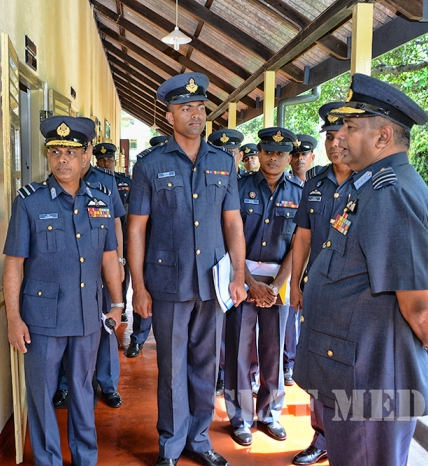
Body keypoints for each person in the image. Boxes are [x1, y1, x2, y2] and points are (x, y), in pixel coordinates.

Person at [294, 74, 428, 466]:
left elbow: (418, 302)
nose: (340, 137)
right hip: (355, 370)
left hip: (370, 379)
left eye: (351, 127)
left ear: (383, 136)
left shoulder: (391, 193)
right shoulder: (369, 186)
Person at [128, 72, 247, 466]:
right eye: (185, 108)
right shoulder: (150, 165)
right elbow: (137, 228)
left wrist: (238, 276)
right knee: (171, 368)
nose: (195, 114)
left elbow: (233, 223)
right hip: (168, 283)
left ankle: (199, 439)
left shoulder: (223, 162)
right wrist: (138, 287)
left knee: (205, 365)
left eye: (199, 107)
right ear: (170, 116)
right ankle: (171, 445)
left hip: (212, 282)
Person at [3, 116, 123, 466]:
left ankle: (85, 458)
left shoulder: (101, 201)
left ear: (86, 156)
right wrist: (13, 318)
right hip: (41, 321)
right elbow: (14, 264)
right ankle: (48, 461)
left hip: (87, 315)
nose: (62, 159)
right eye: (55, 151)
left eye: (70, 152)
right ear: (48, 156)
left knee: (84, 393)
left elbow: (109, 256)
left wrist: (118, 304)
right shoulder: (30, 202)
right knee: (42, 396)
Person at [224, 127, 302, 447]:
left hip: (277, 284)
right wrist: (249, 282)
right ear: (259, 153)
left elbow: (300, 244)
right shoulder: (239, 187)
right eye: (268, 151)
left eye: (281, 153)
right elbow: (228, 236)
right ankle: (240, 418)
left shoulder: (299, 192)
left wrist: (277, 285)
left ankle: (269, 415)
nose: (273, 158)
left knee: (274, 350)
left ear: (289, 157)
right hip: (242, 280)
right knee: (239, 350)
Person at [288, 102, 352, 465]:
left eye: (342, 136)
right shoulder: (314, 184)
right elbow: (303, 236)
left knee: (347, 370)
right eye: (329, 137)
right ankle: (321, 437)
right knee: (317, 366)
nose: (335, 144)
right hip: (316, 292)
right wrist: (295, 284)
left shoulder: (369, 184)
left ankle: (346, 439)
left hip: (353, 298)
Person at [84, 142, 127, 409]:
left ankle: (108, 384)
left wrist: (120, 261)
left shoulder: (106, 182)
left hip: (104, 265)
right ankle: (66, 385)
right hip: (76, 268)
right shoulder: (55, 182)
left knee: (107, 323)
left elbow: (116, 223)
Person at [207, 128, 244, 396]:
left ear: (240, 155)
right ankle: (218, 374)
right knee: (216, 331)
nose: (227, 156)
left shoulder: (249, 184)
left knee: (241, 332)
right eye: (222, 152)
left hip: (242, 266)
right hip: (216, 266)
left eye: (232, 152)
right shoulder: (208, 179)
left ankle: (238, 375)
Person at [125, 136, 168, 359]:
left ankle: (165, 341)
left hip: (168, 250)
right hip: (146, 247)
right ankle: (138, 338)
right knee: (142, 293)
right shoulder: (145, 174)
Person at [282, 133, 318, 388]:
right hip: (289, 262)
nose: (299, 159)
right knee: (288, 317)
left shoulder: (319, 185)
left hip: (315, 264)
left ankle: (302, 361)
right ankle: (288, 362)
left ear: (312, 157)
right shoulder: (286, 187)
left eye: (303, 154)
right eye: (294, 155)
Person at [95, 142, 131, 325]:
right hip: (100, 236)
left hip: (122, 234)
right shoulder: (92, 181)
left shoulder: (125, 181)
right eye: (102, 160)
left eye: (109, 159)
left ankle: (120, 305)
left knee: (122, 273)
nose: (106, 163)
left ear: (115, 161)